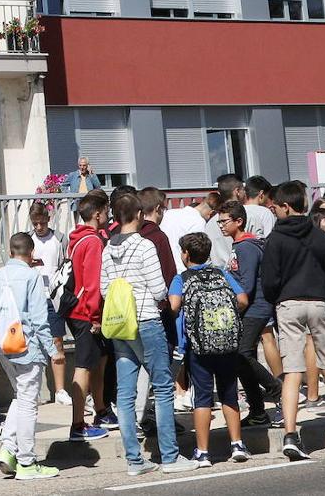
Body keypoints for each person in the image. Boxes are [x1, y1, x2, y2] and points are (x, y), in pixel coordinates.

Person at [100, 194, 197, 476]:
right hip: (147, 320)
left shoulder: (108, 248)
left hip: (121, 325)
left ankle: (134, 460)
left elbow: (105, 290)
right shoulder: (144, 246)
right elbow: (158, 289)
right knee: (163, 387)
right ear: (139, 215)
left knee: (126, 394)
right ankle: (169, 456)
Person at [261, 180, 325, 458]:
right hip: (320, 302)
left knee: (292, 371)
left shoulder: (276, 239)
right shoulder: (320, 237)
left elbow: (269, 281)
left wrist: (276, 299)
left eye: (277, 206)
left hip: (289, 303)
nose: (274, 210)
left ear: (286, 206)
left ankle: (291, 434)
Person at [0, 232, 63, 480]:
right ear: (32, 252)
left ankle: (8, 449)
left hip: (2, 346)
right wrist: (52, 351)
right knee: (29, 404)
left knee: (21, 396)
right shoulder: (31, 277)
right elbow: (39, 319)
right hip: (27, 348)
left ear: (9, 250)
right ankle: (27, 462)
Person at [168, 232, 250, 467]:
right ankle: (236, 444)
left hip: (198, 348)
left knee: (202, 398)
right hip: (226, 343)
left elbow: (173, 306)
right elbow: (242, 299)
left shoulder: (181, 278)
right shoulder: (221, 273)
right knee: (229, 393)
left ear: (185, 254)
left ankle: (203, 452)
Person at [216, 201, 282, 427]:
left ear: (239, 221)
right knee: (243, 359)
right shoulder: (238, 246)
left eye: (224, 221)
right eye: (219, 221)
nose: (221, 226)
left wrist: (235, 308)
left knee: (242, 355)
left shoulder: (246, 247)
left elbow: (247, 284)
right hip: (247, 308)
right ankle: (257, 412)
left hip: (255, 307)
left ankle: (276, 389)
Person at [65, 190, 111, 441]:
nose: (108, 215)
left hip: (75, 308)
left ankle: (100, 410)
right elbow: (93, 282)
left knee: (96, 360)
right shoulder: (92, 241)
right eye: (106, 211)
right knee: (83, 366)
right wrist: (95, 316)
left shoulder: (77, 238)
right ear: (97, 213)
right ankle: (78, 425)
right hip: (85, 312)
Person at [28, 203, 68, 404]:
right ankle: (35, 390)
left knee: (57, 341)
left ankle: (60, 389)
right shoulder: (28, 240)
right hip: (34, 297)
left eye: (42, 223)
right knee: (32, 343)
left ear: (48, 220)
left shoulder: (59, 239)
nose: (38, 227)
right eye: (35, 223)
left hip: (53, 297)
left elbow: (64, 265)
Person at [159, 199, 212, 273]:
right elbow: (198, 249)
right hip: (184, 270)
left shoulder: (169, 213)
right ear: (210, 213)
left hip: (164, 267)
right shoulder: (198, 221)